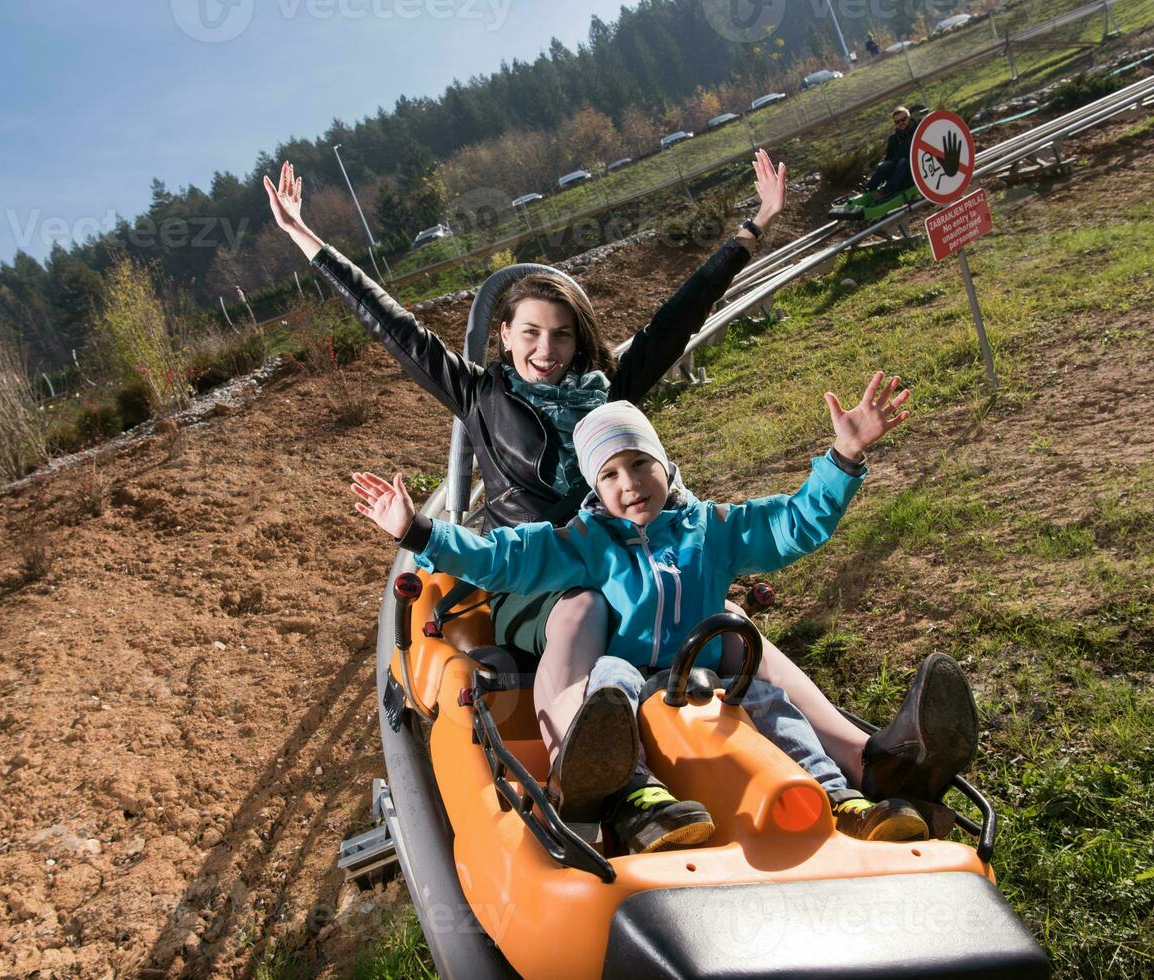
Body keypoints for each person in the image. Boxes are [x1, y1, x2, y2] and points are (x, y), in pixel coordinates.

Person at [264, 153, 969, 843]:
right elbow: (393, 327)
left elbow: (678, 316)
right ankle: (591, 754)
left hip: (631, 558)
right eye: (531, 333)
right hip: (539, 573)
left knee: (720, 617)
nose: (547, 349)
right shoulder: (479, 394)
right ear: (504, 336)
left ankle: (867, 758)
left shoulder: (609, 394)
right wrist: (306, 238)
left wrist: (752, 228)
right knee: (584, 601)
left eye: (562, 334)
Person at [351, 374, 978, 852]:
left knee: (771, 705)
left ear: (664, 465)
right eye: (612, 475)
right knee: (610, 690)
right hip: (631, 675)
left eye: (640, 464)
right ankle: (631, 792)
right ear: (596, 490)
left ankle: (844, 799)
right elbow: (505, 558)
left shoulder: (710, 528)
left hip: (704, 677)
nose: (630, 484)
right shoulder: (586, 543)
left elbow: (792, 525)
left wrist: (842, 460)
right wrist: (419, 532)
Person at [866, 106, 916, 199]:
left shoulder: (917, 131)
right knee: (887, 164)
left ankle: (887, 191)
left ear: (909, 118)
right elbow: (888, 158)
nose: (901, 123)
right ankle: (868, 188)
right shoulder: (893, 139)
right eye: (897, 122)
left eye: (903, 119)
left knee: (903, 162)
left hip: (914, 173)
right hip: (898, 174)